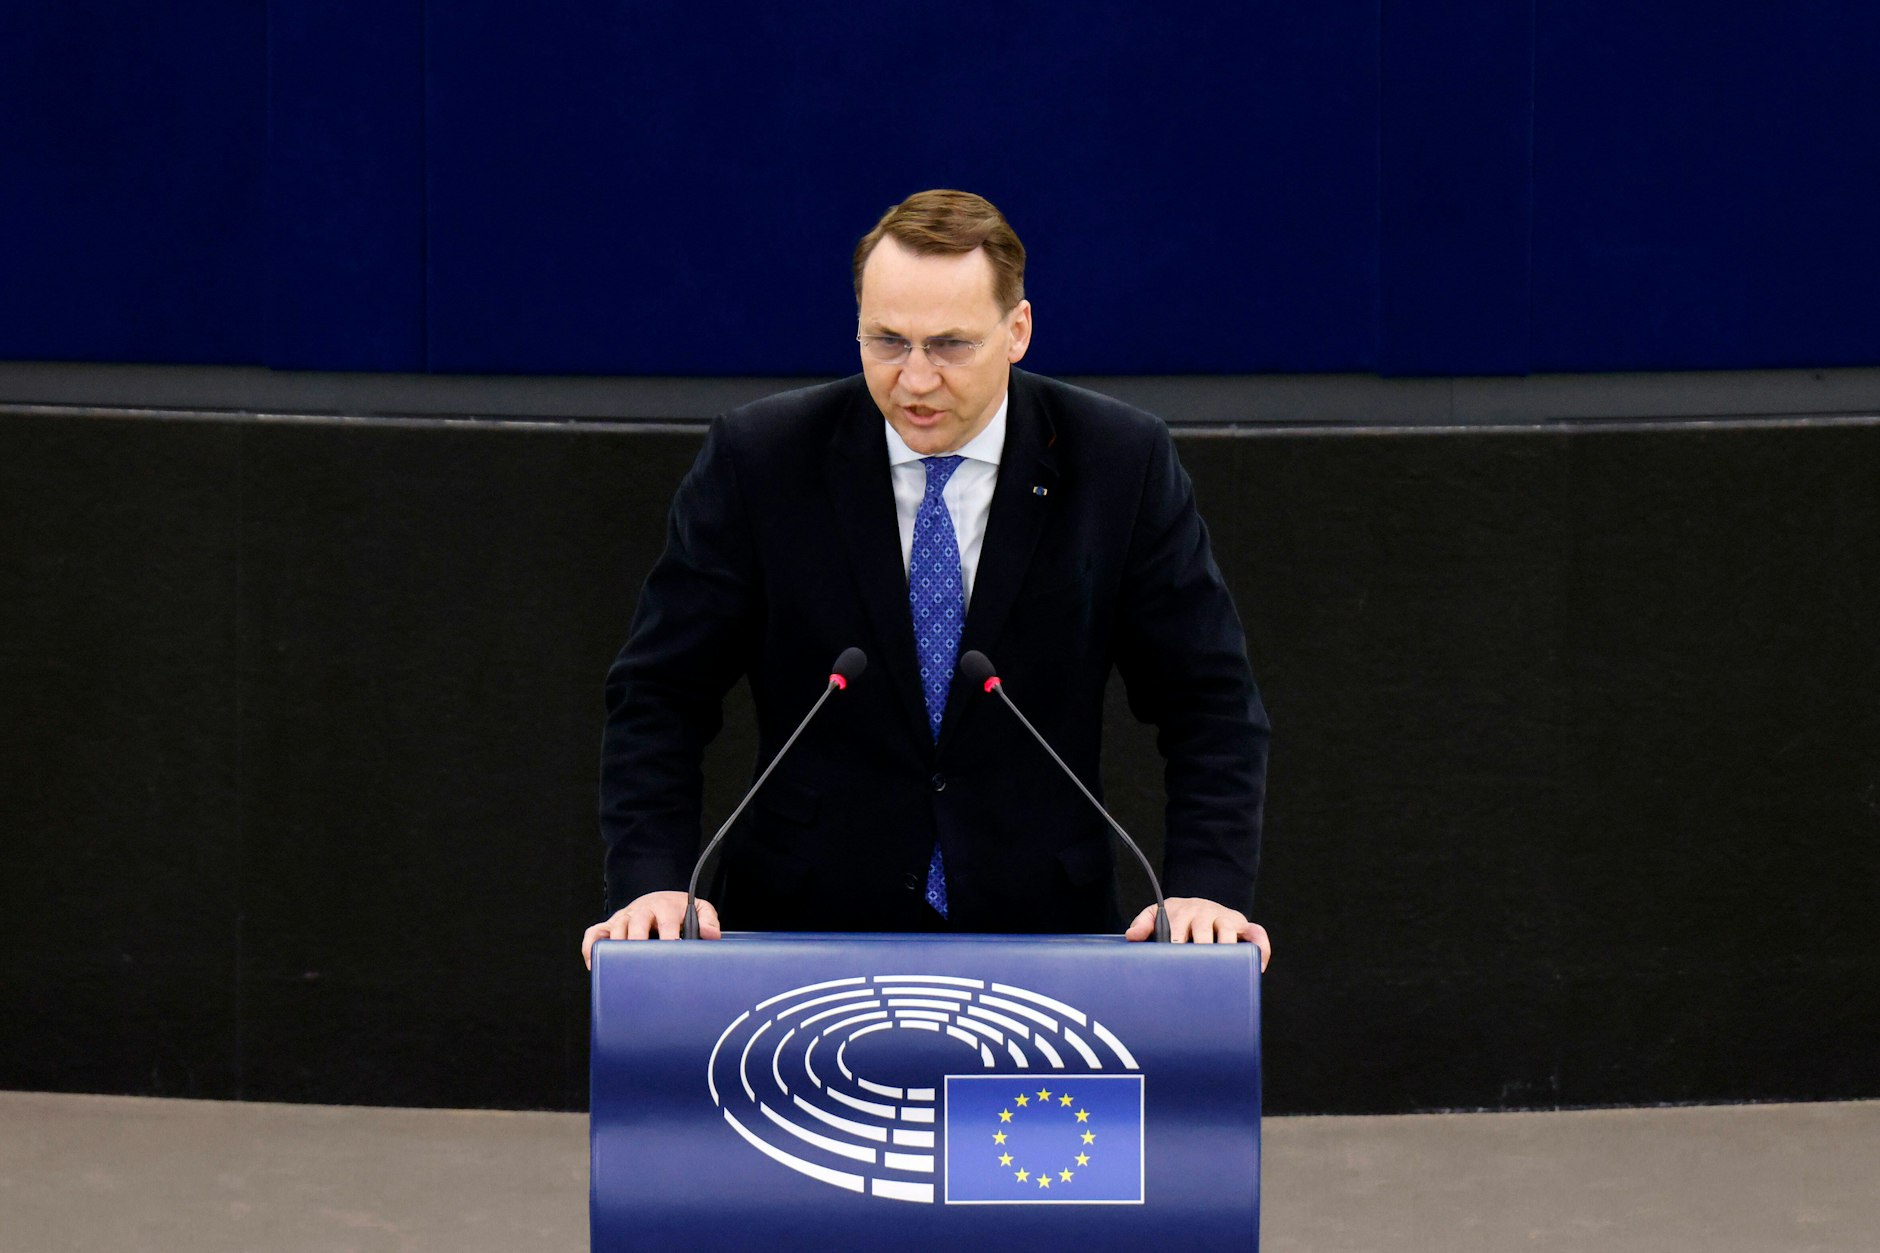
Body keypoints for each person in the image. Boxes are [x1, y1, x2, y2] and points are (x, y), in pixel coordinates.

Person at [582, 190, 1270, 969]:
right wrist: (652, 879)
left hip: (1043, 934)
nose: (914, 379)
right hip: (802, 928)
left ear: (1018, 331)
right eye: (886, 341)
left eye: (948, 345)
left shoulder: (1119, 462)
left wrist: (1207, 886)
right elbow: (659, 694)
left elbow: (1209, 699)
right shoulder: (761, 460)